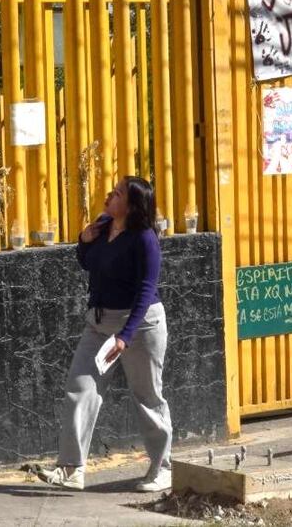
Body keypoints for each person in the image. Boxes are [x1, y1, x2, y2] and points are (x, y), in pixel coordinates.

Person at [37, 176, 173, 492]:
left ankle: (162, 468)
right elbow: (88, 263)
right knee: (79, 388)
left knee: (147, 396)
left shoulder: (144, 239)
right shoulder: (103, 224)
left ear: (132, 204)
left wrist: (125, 335)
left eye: (118, 193)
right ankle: (71, 469)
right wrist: (84, 239)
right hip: (99, 324)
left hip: (140, 327)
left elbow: (145, 290)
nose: (109, 196)